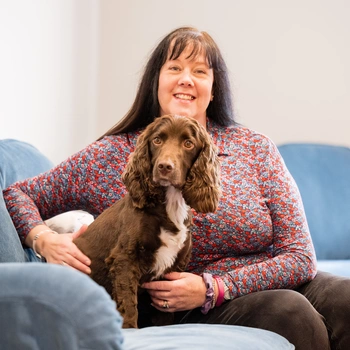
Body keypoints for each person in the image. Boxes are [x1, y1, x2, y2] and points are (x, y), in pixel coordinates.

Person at [1, 26, 349, 349]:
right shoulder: (111, 154)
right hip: (185, 304)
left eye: (199, 71)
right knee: (290, 312)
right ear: (157, 80)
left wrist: (216, 287)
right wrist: (42, 239)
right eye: (174, 68)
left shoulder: (255, 148)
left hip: (241, 284)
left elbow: (300, 256)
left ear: (214, 89)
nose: (186, 79)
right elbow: (18, 193)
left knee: (346, 299)